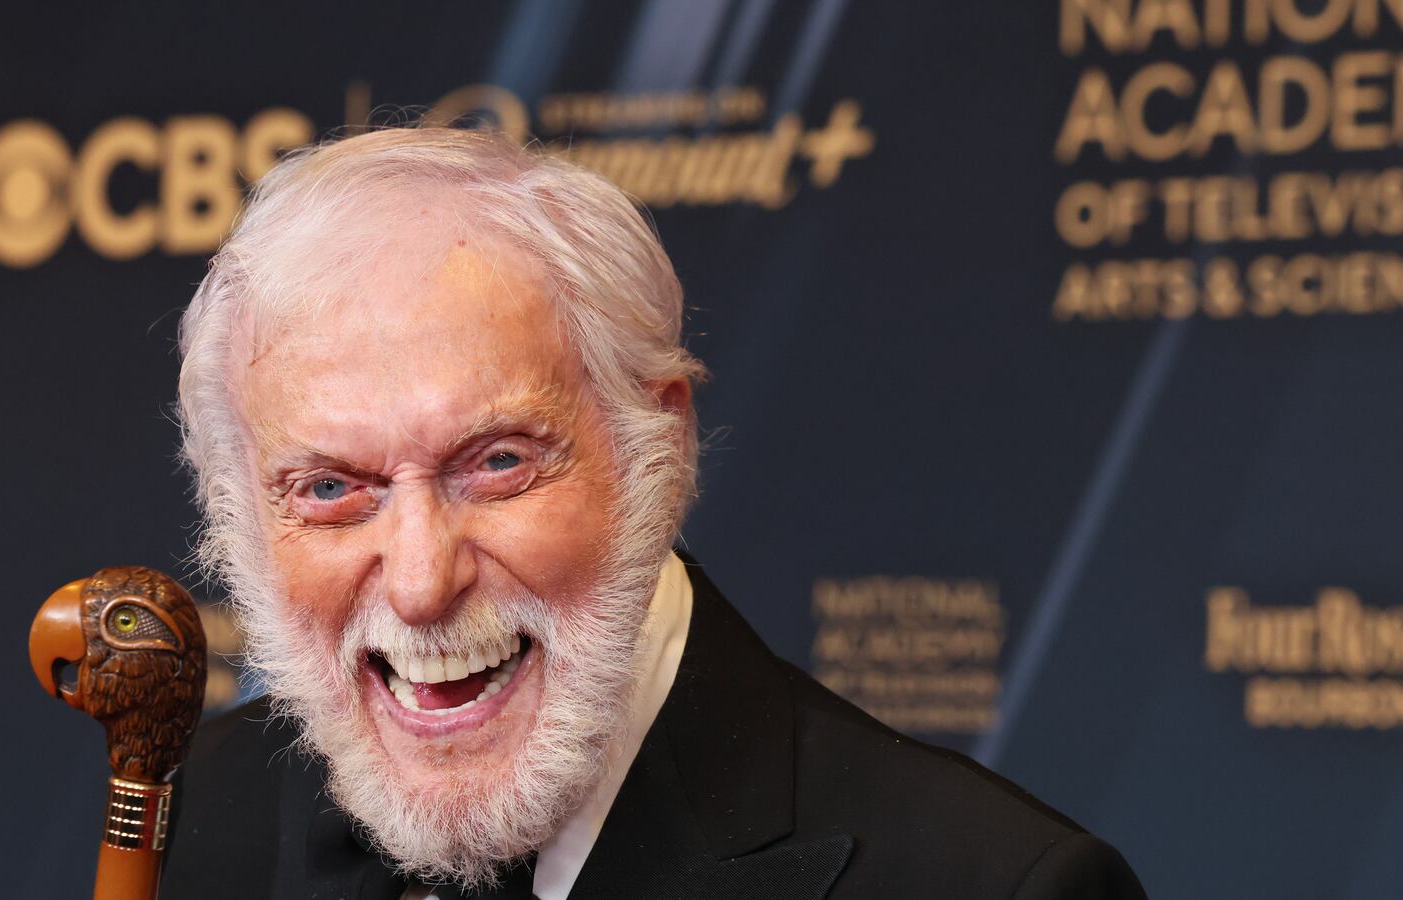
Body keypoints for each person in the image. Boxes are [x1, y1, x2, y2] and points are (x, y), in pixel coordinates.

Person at [159, 126, 1146, 900]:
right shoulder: (191, 822)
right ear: (237, 510)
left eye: (496, 463)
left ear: (655, 450)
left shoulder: (989, 887)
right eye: (331, 490)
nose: (420, 583)